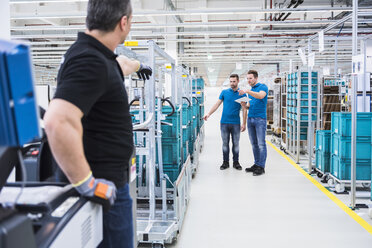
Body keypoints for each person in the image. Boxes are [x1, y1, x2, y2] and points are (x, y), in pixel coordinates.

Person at [43, 1, 152, 247]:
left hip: (108, 185)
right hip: (103, 191)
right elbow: (57, 120)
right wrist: (87, 184)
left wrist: (138, 65)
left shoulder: (97, 56)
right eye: (131, 21)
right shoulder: (90, 60)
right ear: (123, 23)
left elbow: (120, 64)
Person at [203, 74, 247, 170]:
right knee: (225, 143)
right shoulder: (224, 92)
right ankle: (225, 162)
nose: (232, 83)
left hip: (236, 123)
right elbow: (217, 104)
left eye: (234, 81)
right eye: (230, 81)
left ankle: (236, 162)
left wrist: (244, 123)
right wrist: (209, 114)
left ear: (238, 81)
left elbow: (244, 109)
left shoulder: (242, 94)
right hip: (224, 123)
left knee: (236, 144)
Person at [239, 70, 268, 176]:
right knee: (254, 144)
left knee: (261, 144)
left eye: (250, 78)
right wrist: (244, 105)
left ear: (256, 78)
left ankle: (261, 167)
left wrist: (247, 91)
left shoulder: (263, 87)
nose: (249, 80)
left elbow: (260, 96)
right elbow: (249, 106)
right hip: (250, 119)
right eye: (247, 78)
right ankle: (256, 164)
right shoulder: (251, 90)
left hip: (260, 119)